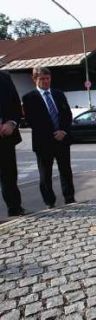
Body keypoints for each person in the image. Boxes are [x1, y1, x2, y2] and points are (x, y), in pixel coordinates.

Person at [22, 67, 75, 209]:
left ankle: (69, 197)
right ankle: (49, 201)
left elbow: (67, 114)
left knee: (66, 170)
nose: (46, 81)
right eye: (42, 79)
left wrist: (63, 131)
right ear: (35, 79)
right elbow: (32, 121)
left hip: (62, 139)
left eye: (48, 78)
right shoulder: (29, 98)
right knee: (46, 174)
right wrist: (53, 134)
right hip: (44, 142)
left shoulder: (59, 94)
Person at [0, 71, 26, 217]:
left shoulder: (5, 77)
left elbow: (16, 105)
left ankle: (15, 209)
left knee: (9, 175)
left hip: (6, 137)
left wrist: (12, 122)